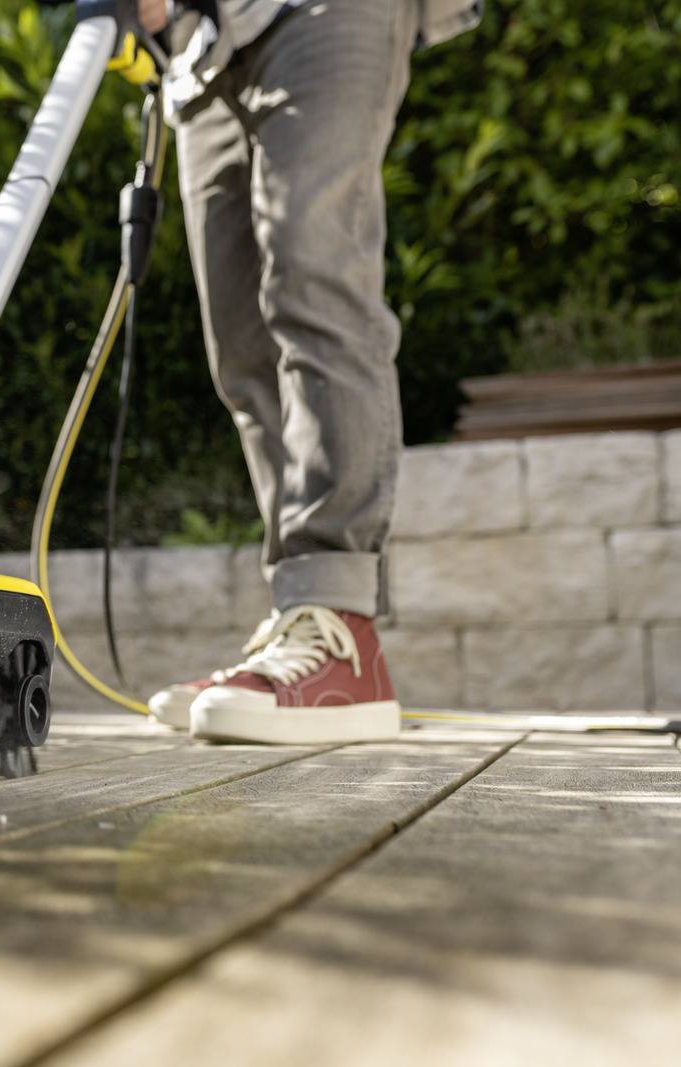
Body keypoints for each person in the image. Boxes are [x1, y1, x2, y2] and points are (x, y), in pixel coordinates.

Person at [133, 0, 482, 744]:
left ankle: (342, 633)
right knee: (240, 340)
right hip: (206, 42)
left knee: (315, 279)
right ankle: (300, 624)